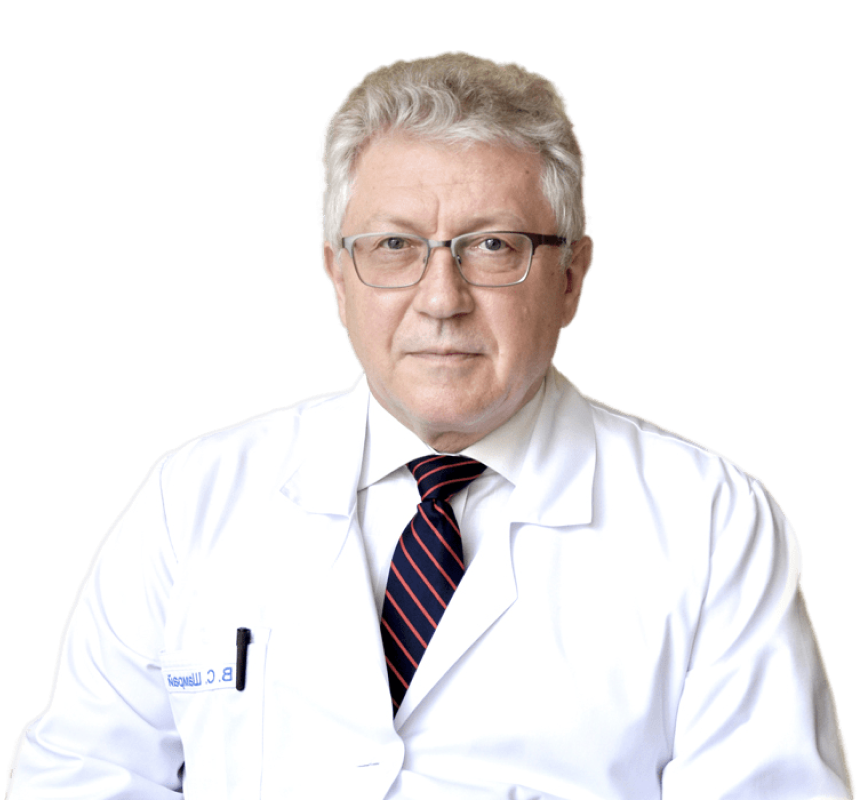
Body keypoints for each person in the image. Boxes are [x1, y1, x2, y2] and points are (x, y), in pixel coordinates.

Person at [7, 51, 854, 800]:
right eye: (393, 246)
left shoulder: (710, 520)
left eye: (492, 247)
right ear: (335, 270)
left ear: (572, 275)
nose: (440, 300)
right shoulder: (190, 497)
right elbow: (83, 779)